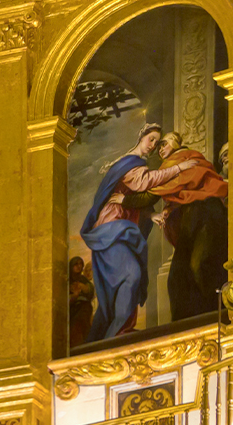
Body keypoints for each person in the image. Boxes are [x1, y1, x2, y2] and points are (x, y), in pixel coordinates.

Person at [80, 124, 200, 343]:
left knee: (122, 282)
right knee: (132, 274)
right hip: (112, 225)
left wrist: (149, 215)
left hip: (123, 225)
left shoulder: (133, 163)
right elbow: (146, 183)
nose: (153, 145)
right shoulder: (131, 163)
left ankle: (119, 329)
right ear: (141, 136)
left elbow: (136, 195)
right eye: (151, 139)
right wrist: (179, 168)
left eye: (157, 142)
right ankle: (119, 330)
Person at [150, 132, 229, 321]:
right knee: (177, 277)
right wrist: (169, 209)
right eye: (158, 146)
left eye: (164, 143)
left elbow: (161, 184)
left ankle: (212, 318)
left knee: (201, 266)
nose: (160, 149)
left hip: (206, 214)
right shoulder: (175, 165)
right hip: (192, 218)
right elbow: (179, 192)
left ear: (177, 143)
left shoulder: (186, 159)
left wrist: (129, 198)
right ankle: (186, 325)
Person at [67, 256, 95, 348]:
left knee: (82, 321)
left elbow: (90, 291)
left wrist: (83, 287)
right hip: (72, 308)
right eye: (76, 264)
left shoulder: (83, 279)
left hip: (84, 306)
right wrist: (74, 296)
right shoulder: (67, 280)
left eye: (80, 264)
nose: (79, 266)